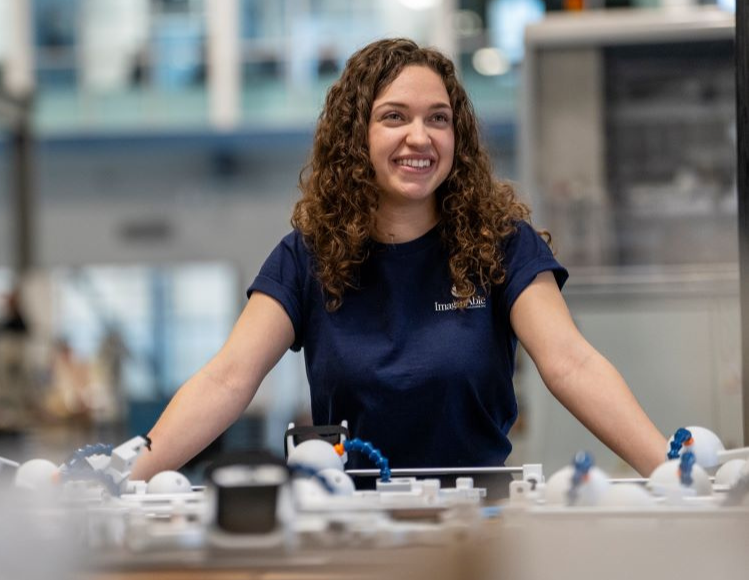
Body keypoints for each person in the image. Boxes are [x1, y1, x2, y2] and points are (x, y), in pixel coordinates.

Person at [130, 39, 667, 484]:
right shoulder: (306, 257)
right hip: (351, 533)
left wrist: (667, 469)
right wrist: (125, 474)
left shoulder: (502, 243)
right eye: (394, 117)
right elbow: (227, 379)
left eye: (439, 118)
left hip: (477, 536)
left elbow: (571, 363)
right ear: (356, 137)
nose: (420, 136)